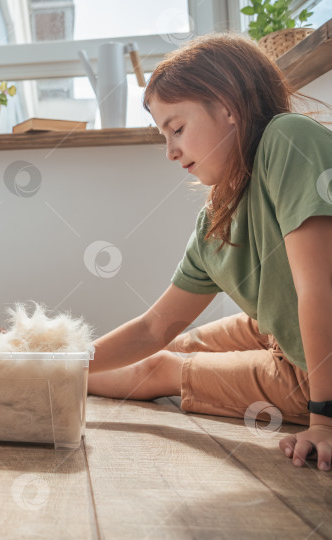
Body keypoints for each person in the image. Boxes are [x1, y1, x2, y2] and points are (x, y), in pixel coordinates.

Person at [86, 33, 332, 471]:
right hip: (280, 332)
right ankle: (42, 373)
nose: (170, 151)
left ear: (228, 106)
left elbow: (321, 289)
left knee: (159, 369)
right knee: (174, 343)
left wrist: (325, 422)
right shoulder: (216, 219)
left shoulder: (287, 139)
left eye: (177, 128)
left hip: (314, 369)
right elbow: (152, 329)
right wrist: (54, 360)